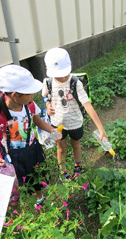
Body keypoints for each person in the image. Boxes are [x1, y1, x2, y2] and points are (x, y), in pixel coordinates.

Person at [42, 47, 108, 180]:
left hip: (75, 123)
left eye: (63, 73)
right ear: (48, 70)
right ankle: (63, 171)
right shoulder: (48, 82)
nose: (61, 77)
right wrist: (48, 105)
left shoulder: (75, 83)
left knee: (76, 144)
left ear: (70, 66)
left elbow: (87, 105)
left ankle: (77, 166)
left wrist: (101, 128)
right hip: (57, 123)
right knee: (61, 148)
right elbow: (45, 96)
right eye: (57, 74)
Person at [0, 65, 60, 205]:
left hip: (32, 148)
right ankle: (25, 203)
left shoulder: (30, 105)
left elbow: (38, 122)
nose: (33, 96)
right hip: (12, 154)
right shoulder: (1, 113)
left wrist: (52, 130)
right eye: (29, 93)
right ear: (15, 96)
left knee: (37, 176)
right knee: (20, 181)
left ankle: (39, 198)